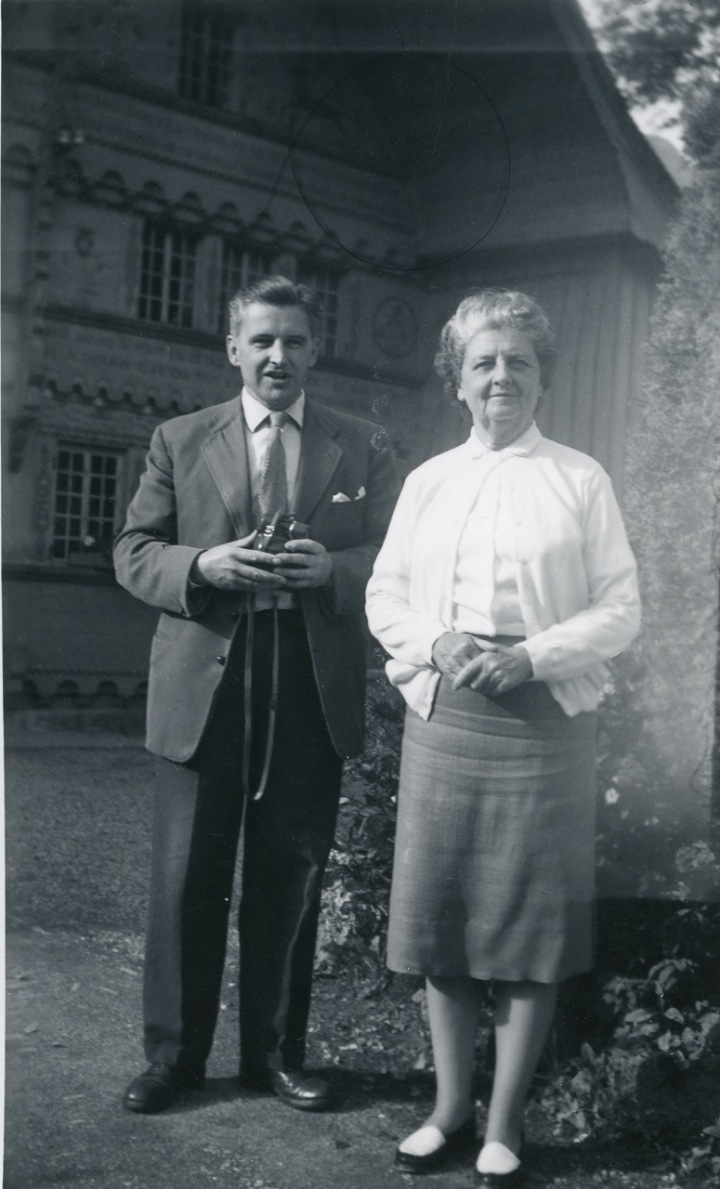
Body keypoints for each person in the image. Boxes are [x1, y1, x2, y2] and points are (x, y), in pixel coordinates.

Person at [366, 290, 640, 1185]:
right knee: (445, 919)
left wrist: (533, 657)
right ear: (458, 378)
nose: (500, 378)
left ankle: (505, 1122)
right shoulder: (429, 481)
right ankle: (448, 1109)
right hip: (446, 714)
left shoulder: (580, 478)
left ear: (541, 377)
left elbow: (620, 609)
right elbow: (386, 594)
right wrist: (437, 642)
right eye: (483, 362)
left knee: (528, 926)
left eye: (518, 362)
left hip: (544, 718)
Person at [114, 275, 398, 1115]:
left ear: (316, 350)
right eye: (263, 340)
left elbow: (401, 552)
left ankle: (275, 1055)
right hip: (207, 673)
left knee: (290, 873)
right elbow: (133, 549)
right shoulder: (180, 437)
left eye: (296, 341)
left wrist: (336, 570)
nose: (280, 355)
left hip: (308, 677)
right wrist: (202, 564)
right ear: (233, 348)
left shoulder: (360, 444)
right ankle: (173, 1059)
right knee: (187, 876)